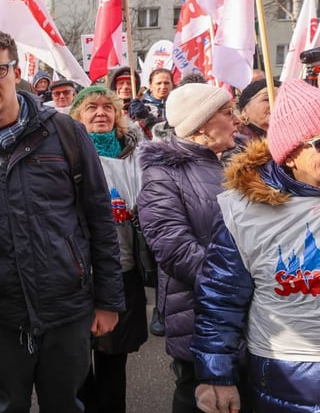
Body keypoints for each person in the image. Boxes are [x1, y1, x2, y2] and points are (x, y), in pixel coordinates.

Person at [0, 25, 125, 412]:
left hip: (66, 308)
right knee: (7, 406)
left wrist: (108, 301)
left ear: (16, 72)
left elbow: (101, 221)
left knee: (64, 406)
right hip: (0, 314)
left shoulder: (66, 133)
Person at [191, 79, 320, 413]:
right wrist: (217, 375)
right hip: (287, 369)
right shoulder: (245, 212)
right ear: (291, 154)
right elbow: (220, 298)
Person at [136, 83, 251, 413]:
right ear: (201, 125)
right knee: (200, 400)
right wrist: (238, 285)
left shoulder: (247, 162)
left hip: (253, 318)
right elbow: (175, 250)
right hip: (198, 316)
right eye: (227, 113)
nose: (237, 120)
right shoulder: (163, 175)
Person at [69, 86, 148, 413]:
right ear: (78, 117)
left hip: (122, 271)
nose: (101, 113)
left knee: (114, 358)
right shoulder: (67, 154)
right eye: (92, 107)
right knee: (76, 360)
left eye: (107, 107)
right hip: (77, 274)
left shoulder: (135, 155)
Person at [129, 68, 175, 139]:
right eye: (158, 83)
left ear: (172, 85)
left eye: (166, 83)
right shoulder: (139, 107)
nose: (163, 87)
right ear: (150, 86)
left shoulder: (178, 105)